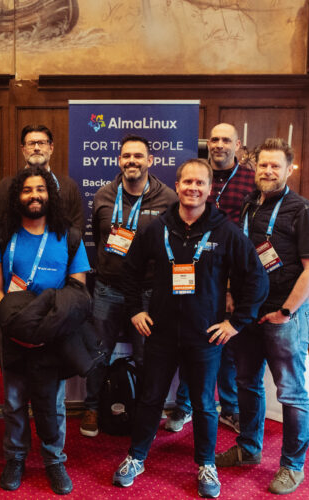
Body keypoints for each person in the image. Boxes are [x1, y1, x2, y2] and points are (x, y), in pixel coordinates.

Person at [111, 159, 267, 498]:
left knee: (204, 405)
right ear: (177, 186)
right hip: (161, 333)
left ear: (210, 190)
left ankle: (206, 464)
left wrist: (237, 322)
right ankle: (136, 457)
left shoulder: (225, 231)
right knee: (151, 398)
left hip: (205, 336)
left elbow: (257, 277)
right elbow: (130, 272)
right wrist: (135, 310)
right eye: (186, 182)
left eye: (200, 183)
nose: (193, 188)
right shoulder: (158, 227)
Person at [216, 138, 309, 495]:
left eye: (276, 166)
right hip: (249, 315)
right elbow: (240, 257)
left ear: (288, 169)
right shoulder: (248, 207)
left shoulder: (302, 210)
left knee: (291, 393)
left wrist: (287, 310)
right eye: (263, 165)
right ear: (255, 168)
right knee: (247, 384)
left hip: (284, 316)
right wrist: (232, 293)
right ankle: (248, 449)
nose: (268, 171)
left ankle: (293, 467)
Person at [0, 166, 92, 495]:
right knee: (14, 401)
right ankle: (16, 457)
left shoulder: (68, 235)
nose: (34, 195)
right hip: (13, 332)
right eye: (28, 190)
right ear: (18, 196)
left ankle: (53, 459)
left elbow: (77, 291)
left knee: (53, 402)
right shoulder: (2, 234)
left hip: (53, 333)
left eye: (41, 189)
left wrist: (45, 328)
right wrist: (13, 325)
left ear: (51, 195)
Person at [80, 134, 177, 438]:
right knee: (98, 352)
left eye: (138, 156)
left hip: (149, 292)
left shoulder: (168, 198)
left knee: (146, 354)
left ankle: (144, 408)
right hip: (108, 287)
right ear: (119, 161)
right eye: (126, 156)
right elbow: (98, 237)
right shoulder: (103, 196)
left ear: (150, 161)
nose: (131, 161)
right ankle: (93, 406)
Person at [166, 123, 258, 435]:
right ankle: (184, 405)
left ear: (238, 144)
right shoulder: (199, 174)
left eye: (225, 140)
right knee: (196, 341)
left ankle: (229, 409)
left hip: (231, 272)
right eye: (214, 139)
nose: (219, 144)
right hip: (197, 276)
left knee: (225, 347)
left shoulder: (250, 178)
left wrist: (232, 288)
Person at [0, 124, 85, 234]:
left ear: (51, 148)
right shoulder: (6, 186)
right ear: (23, 149)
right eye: (31, 144)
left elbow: (77, 230)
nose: (37, 148)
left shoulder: (69, 186)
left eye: (42, 143)